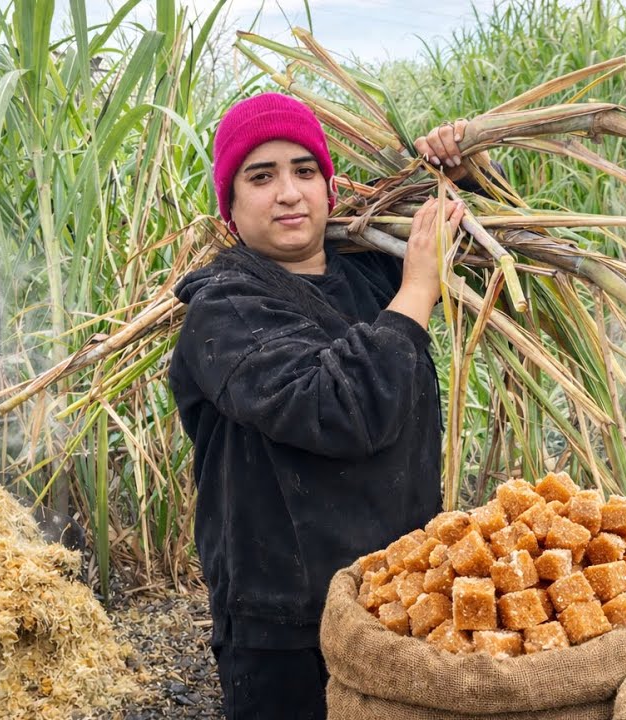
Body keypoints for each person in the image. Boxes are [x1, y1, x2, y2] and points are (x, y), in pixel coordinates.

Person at [168, 92, 480, 719]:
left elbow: (489, 246)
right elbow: (337, 409)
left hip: (393, 593)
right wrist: (420, 288)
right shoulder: (223, 309)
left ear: (329, 189)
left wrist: (460, 173)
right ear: (229, 209)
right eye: (261, 177)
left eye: (304, 171)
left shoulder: (369, 271)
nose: (288, 192)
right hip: (284, 621)